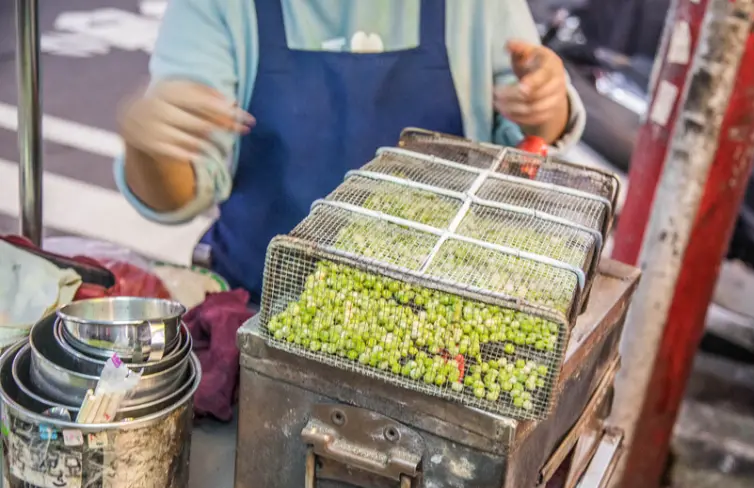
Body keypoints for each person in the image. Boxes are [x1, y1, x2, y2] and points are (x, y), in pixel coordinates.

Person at [115, 0, 587, 303]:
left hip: (445, 316)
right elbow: (178, 194)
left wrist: (544, 104)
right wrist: (151, 145)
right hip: (262, 311)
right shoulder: (219, 8)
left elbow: (530, 137)